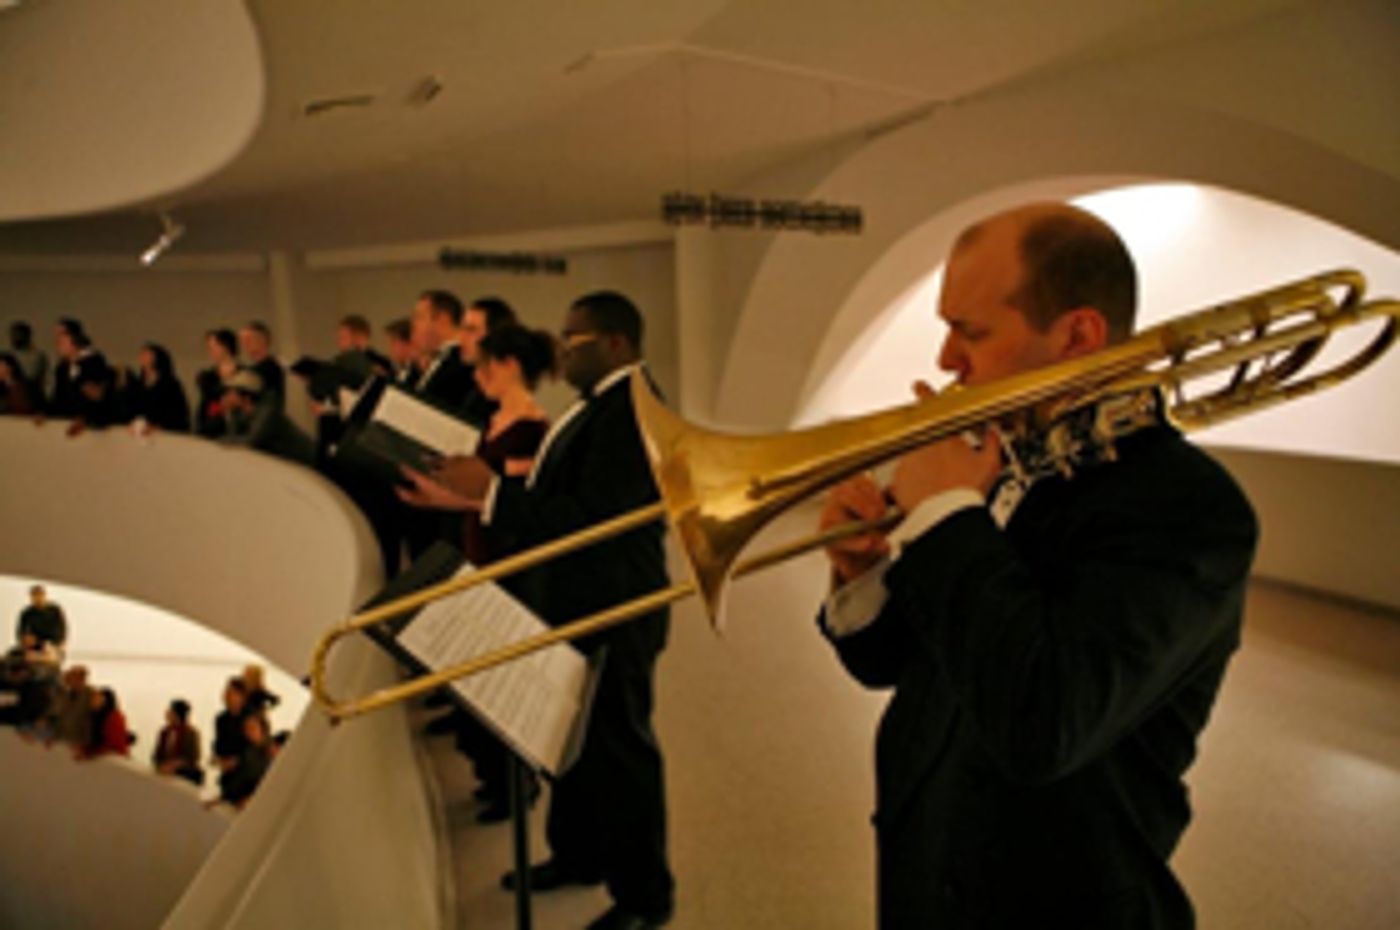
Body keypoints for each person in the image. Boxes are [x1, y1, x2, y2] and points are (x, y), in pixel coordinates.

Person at [815, 203, 1258, 929]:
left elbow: (1043, 724)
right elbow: (897, 663)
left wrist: (947, 517)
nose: (946, 361)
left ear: (1077, 336)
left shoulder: (1190, 508)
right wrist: (861, 573)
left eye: (971, 331)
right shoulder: (1008, 457)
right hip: (923, 872)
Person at [401, 291, 674, 930]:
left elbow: (590, 520)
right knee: (573, 744)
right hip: (580, 600)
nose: (561, 351)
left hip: (617, 605)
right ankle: (580, 854)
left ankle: (645, 898)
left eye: (574, 340)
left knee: (620, 754)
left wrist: (493, 493)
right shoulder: (599, 405)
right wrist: (471, 496)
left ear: (616, 344)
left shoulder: (632, 410)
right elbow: (559, 494)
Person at [398, 322, 555, 822]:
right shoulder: (499, 420)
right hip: (482, 551)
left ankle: (516, 784)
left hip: (508, 563)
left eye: (485, 365)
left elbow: (511, 504)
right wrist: (435, 498)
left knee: (502, 677)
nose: (478, 375)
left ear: (509, 365)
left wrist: (448, 496)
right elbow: (481, 497)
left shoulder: (531, 427)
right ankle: (496, 778)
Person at [221, 369, 316, 466]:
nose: (227, 396)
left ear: (246, 397)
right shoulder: (243, 412)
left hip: (309, 460)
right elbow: (233, 435)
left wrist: (224, 440)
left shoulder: (267, 413)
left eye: (231, 393)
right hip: (288, 461)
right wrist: (229, 412)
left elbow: (251, 441)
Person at [49, 318, 110, 419]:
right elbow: (58, 398)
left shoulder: (93, 362)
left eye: (62, 336)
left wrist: (86, 417)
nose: (58, 342)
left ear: (75, 337)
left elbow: (99, 398)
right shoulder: (62, 367)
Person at [127, 342, 192, 432]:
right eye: (141, 354)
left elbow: (177, 411)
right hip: (140, 429)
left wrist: (157, 426)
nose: (142, 357)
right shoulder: (137, 384)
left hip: (164, 431)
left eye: (146, 354)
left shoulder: (170, 384)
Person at [217, 711, 275, 809]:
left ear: (263, 728)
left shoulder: (270, 750)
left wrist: (251, 798)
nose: (248, 732)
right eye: (246, 729)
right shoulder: (249, 750)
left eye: (252, 728)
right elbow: (241, 777)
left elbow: (265, 780)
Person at [195, 328, 241, 438]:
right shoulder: (207, 376)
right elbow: (206, 401)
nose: (211, 351)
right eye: (209, 347)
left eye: (214, 346)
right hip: (212, 427)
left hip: (239, 426)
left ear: (226, 346)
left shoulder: (244, 373)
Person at [152, 699, 204, 786]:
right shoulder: (164, 732)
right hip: (163, 772)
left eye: (170, 711)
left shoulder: (191, 733)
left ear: (176, 714)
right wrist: (161, 765)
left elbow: (193, 757)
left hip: (183, 774)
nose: (166, 713)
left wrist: (174, 765)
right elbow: (157, 755)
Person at [42, 664, 93, 751]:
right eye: (73, 677)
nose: (76, 681)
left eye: (79, 677)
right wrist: (52, 736)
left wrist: (86, 744)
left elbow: (92, 721)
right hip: (63, 740)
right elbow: (57, 716)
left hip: (80, 741)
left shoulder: (90, 694)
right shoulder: (64, 695)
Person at [240, 321, 286, 410]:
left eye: (248, 339)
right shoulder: (250, 370)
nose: (245, 344)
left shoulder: (272, 368)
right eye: (243, 341)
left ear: (262, 340)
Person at [80, 687, 131, 759]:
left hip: (115, 757)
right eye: (93, 699)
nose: (93, 701)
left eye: (97, 699)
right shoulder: (93, 716)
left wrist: (90, 753)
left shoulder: (114, 717)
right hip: (101, 756)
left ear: (105, 701)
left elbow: (114, 744)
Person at [212, 677, 249, 773]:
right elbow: (219, 744)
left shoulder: (251, 718)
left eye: (230, 693)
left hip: (248, 770)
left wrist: (237, 760)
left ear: (242, 697)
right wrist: (218, 757)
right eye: (226, 693)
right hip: (227, 770)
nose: (226, 696)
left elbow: (257, 748)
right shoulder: (221, 719)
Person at [17, 584, 66, 651]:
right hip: (34, 645)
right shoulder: (27, 613)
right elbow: (20, 632)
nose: (37, 599)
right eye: (34, 596)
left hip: (52, 644)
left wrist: (58, 644)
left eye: (39, 596)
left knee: (49, 650)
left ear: (44, 596)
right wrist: (25, 640)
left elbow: (61, 631)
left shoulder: (55, 610)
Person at [8, 321, 48, 403]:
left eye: (18, 335)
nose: (14, 338)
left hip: (31, 398)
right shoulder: (9, 355)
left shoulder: (36, 356)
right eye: (13, 335)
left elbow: (30, 377)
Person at [383, 317, 418, 386]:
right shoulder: (399, 370)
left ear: (409, 343)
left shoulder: (417, 373)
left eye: (393, 342)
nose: (390, 348)